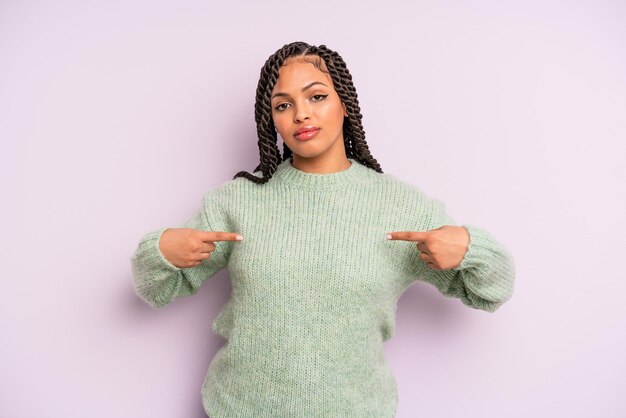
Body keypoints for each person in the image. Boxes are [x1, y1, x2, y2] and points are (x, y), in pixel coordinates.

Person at [130, 41, 515, 418]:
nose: (301, 115)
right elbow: (156, 288)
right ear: (272, 121)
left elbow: (493, 290)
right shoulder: (237, 201)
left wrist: (470, 247)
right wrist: (161, 250)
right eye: (283, 105)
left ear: (344, 103)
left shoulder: (400, 207)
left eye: (316, 97)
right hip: (240, 408)